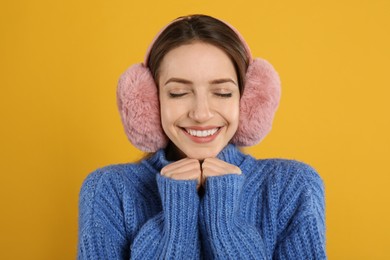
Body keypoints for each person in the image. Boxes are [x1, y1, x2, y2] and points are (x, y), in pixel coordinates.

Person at [78, 14, 326, 259]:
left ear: (249, 101)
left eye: (222, 92)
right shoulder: (108, 190)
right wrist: (177, 221)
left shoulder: (292, 187)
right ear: (150, 103)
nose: (201, 113)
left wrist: (225, 227)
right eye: (178, 93)